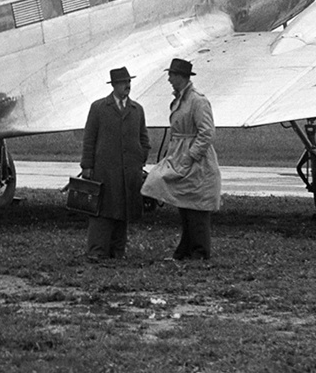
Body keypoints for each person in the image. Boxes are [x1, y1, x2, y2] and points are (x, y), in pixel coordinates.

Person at [79, 66, 151, 261]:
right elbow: (89, 138)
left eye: (129, 82)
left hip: (129, 172)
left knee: (124, 212)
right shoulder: (99, 108)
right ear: (114, 85)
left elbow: (144, 139)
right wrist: (87, 166)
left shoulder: (137, 110)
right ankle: (96, 251)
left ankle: (117, 252)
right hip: (104, 170)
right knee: (101, 212)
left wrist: (139, 158)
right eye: (123, 82)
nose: (127, 86)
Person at [160, 57, 222, 261]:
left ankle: (200, 252)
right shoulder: (180, 99)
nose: (169, 79)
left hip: (197, 162)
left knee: (197, 205)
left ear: (181, 77)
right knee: (184, 204)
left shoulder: (198, 101)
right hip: (181, 156)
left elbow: (207, 133)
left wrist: (191, 156)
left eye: (172, 75)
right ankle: (185, 250)